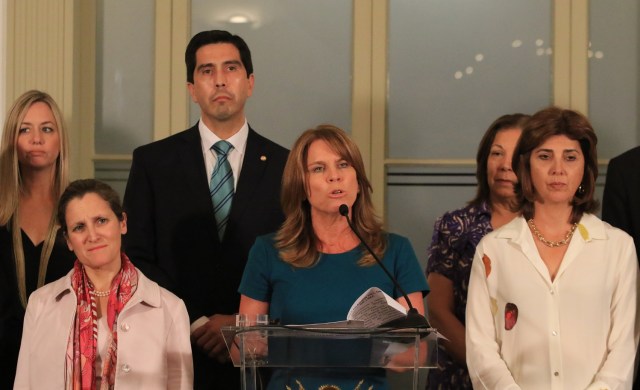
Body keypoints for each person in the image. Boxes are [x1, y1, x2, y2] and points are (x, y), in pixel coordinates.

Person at [123, 29, 289, 388]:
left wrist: (243, 322)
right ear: (191, 89)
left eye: (231, 68)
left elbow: (297, 259)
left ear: (250, 82)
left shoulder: (286, 166)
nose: (219, 80)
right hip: (172, 349)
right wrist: (196, 321)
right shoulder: (152, 162)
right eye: (206, 71)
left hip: (260, 359)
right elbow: (134, 255)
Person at [238, 124, 429, 389]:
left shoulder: (395, 251)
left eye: (343, 165)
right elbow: (244, 349)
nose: (334, 177)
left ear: (359, 182)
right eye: (318, 168)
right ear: (302, 186)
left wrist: (341, 348)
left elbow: (414, 353)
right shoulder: (267, 252)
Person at [466, 106, 639, 389]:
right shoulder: (493, 249)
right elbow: (480, 348)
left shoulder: (618, 247)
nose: (558, 169)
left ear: (585, 168)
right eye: (545, 156)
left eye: (570, 157)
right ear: (526, 166)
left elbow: (624, 349)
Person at [14, 179, 193, 388]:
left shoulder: (170, 308)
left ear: (123, 223)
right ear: (69, 240)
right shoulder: (40, 304)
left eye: (101, 221)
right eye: (79, 227)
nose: (92, 236)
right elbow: (24, 383)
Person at [425, 113, 529, 389]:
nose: (505, 166)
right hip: (461, 373)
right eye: (497, 153)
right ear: (484, 160)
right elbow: (438, 312)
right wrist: (490, 372)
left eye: (516, 155)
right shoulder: (455, 226)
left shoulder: (549, 231)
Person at [0, 90, 76, 388]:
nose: (36, 139)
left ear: (60, 140)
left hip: (63, 364)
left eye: (46, 129)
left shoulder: (79, 211)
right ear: (11, 139)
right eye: (24, 129)